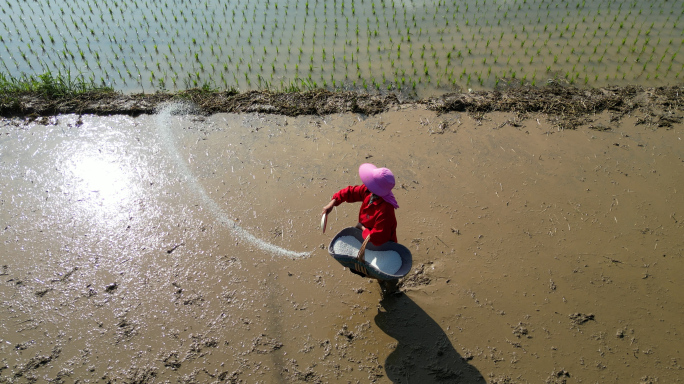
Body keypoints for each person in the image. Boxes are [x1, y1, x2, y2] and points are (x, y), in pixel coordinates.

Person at [322, 163, 401, 294]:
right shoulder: (369, 192)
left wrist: (362, 228)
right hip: (367, 236)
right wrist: (333, 203)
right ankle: (381, 281)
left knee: (385, 272)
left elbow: (379, 238)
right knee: (372, 268)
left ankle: (391, 288)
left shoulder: (386, 209)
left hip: (383, 245)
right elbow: (350, 192)